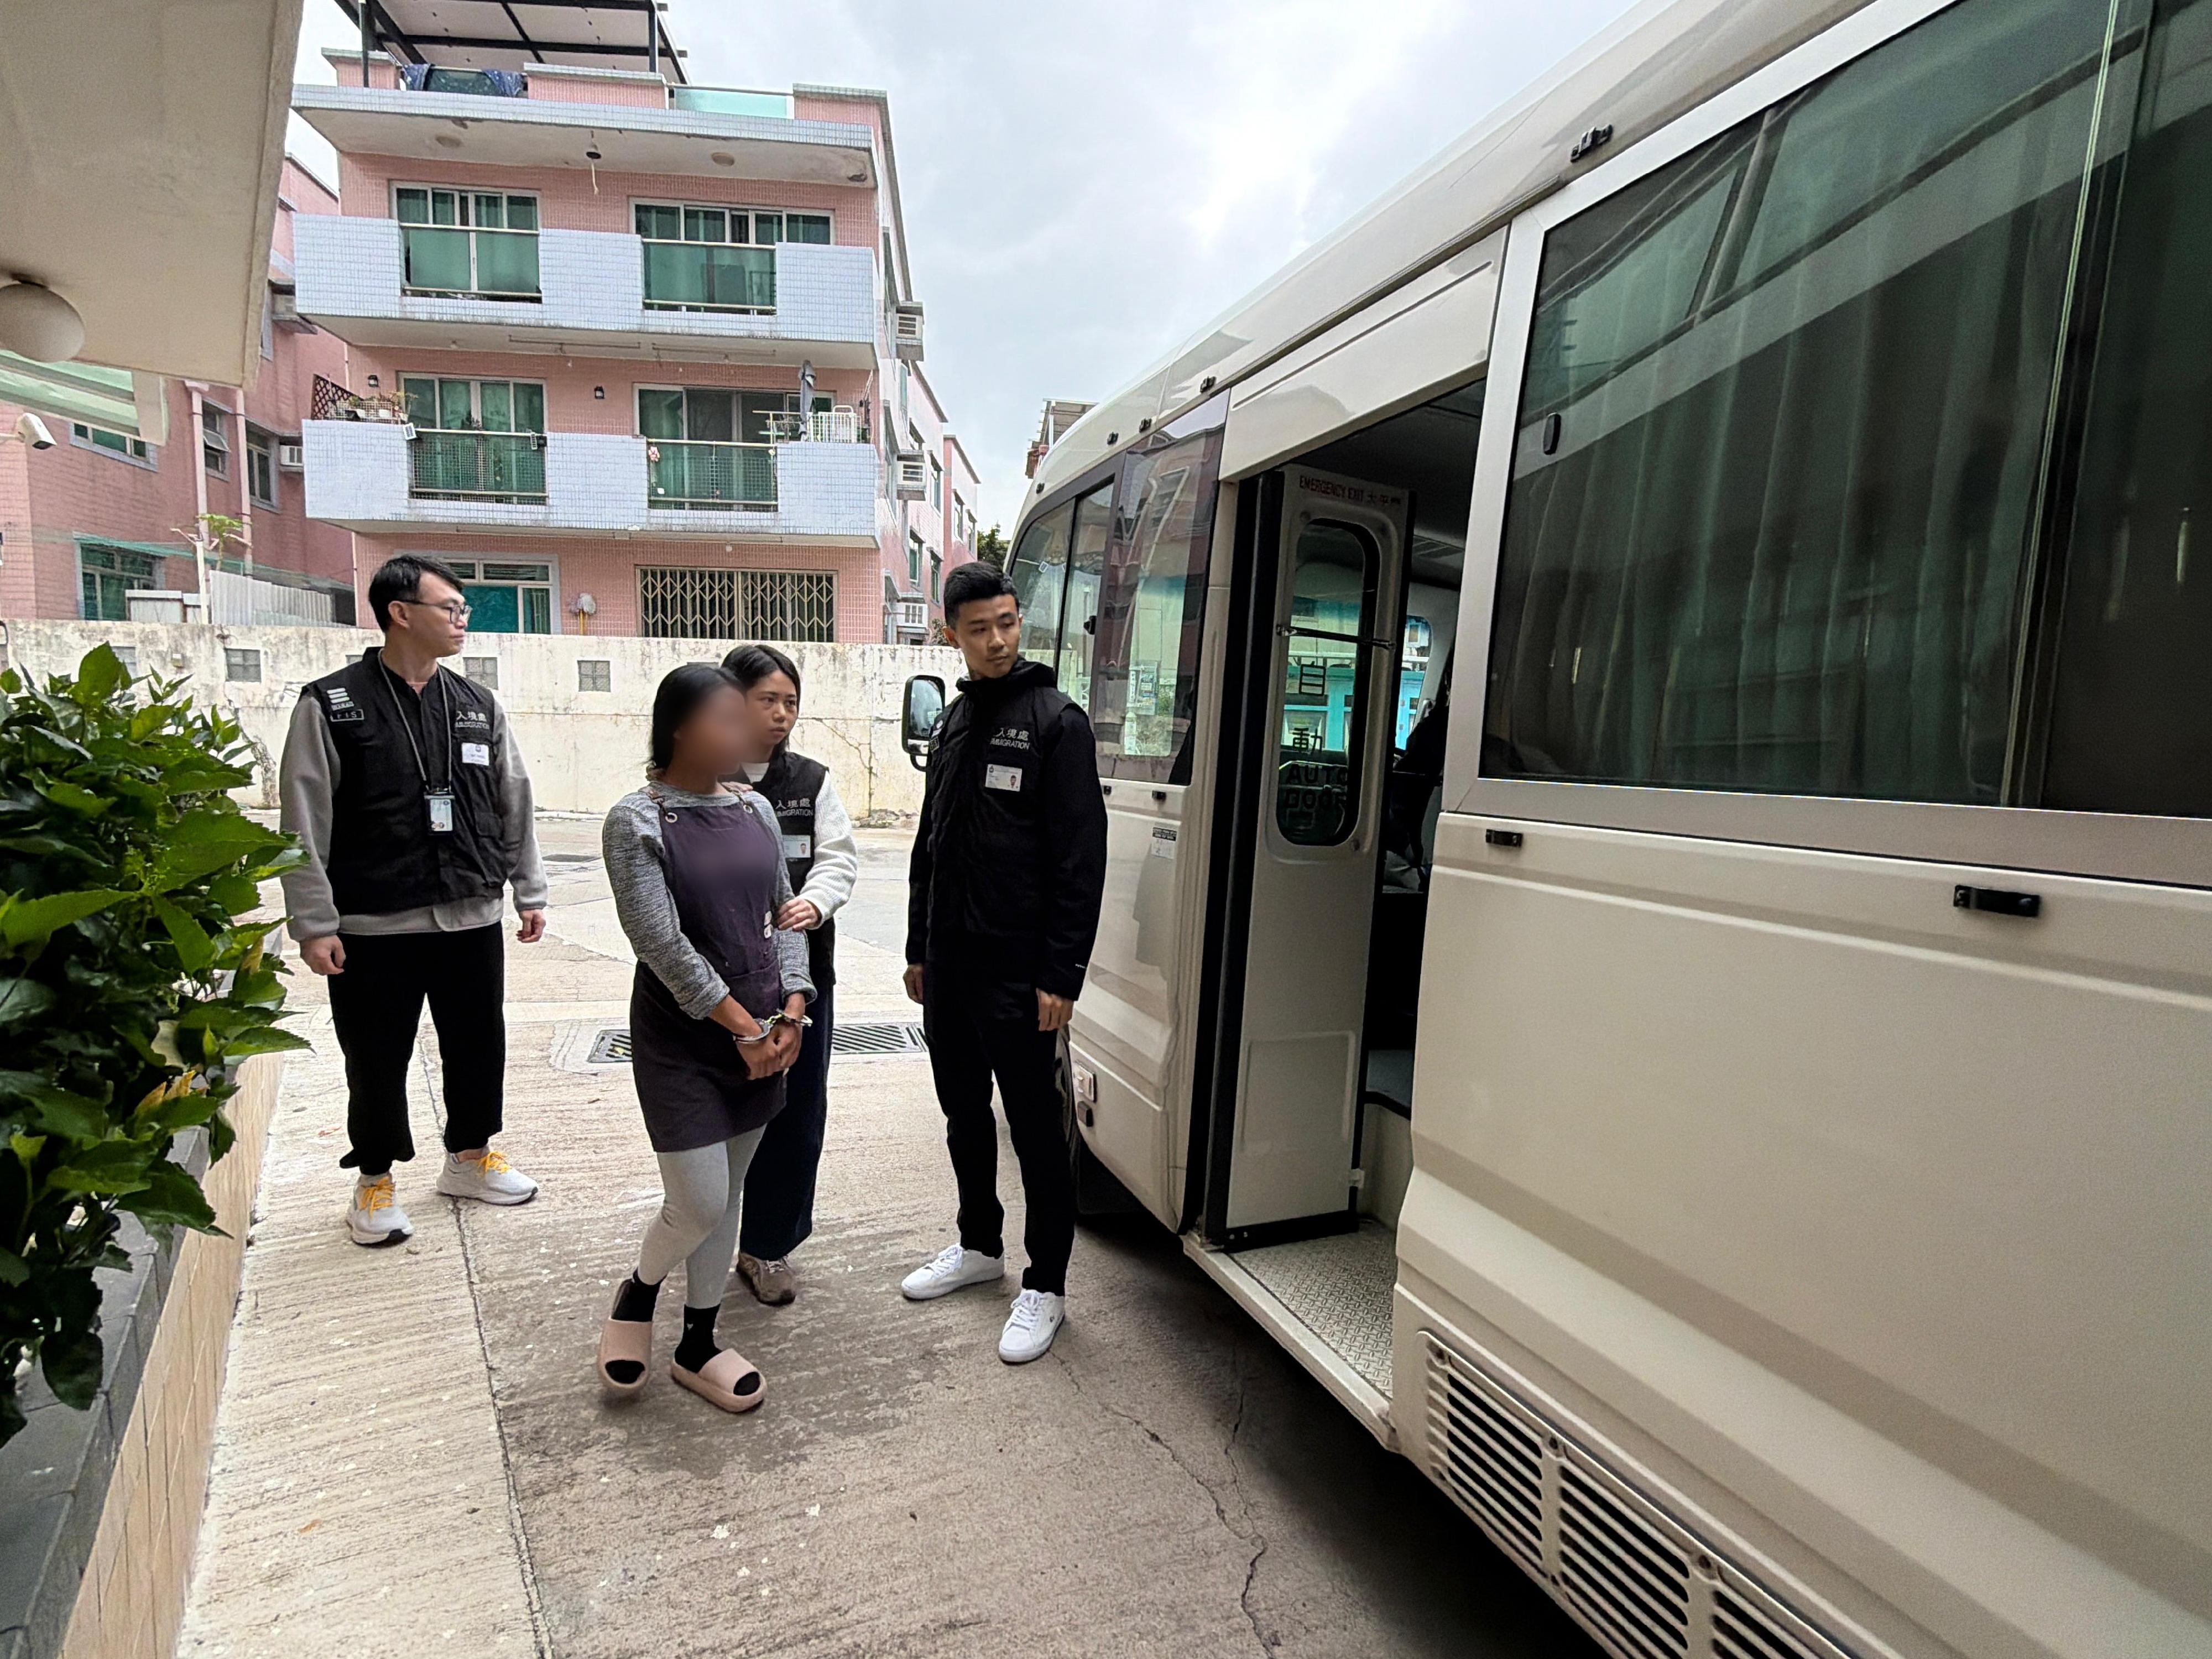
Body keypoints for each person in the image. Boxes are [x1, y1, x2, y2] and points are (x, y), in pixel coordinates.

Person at [280, 554, 547, 1248]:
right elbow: (303, 819)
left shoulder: (476, 703)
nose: (462, 621)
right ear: (400, 613)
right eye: (450, 608)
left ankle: (469, 1159)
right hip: (373, 922)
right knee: (376, 1058)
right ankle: (374, 1179)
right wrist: (313, 923)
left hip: (469, 912)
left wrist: (529, 888)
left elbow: (513, 799)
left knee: (478, 1045)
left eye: (463, 610)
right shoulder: (331, 704)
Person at [901, 562, 1108, 1364]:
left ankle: (1045, 1285)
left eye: (1007, 623)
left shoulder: (1057, 722)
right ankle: (978, 1246)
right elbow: (929, 845)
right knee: (963, 1113)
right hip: (950, 966)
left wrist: (1061, 974)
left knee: (1036, 1131)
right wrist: (918, 949)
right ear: (951, 633)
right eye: (979, 629)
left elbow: (1080, 861)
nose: (996, 641)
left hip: (1021, 975)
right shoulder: (955, 721)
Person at [595, 664, 814, 1413]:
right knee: (696, 1201)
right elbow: (661, 944)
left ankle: (697, 1344)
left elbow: (784, 913)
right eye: (730, 719)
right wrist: (745, 1029)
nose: (750, 731)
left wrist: (792, 1010)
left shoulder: (754, 808)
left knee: (729, 1199)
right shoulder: (636, 820)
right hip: (685, 1040)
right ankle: (639, 1291)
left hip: (766, 1031)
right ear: (682, 730)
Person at [719, 645, 859, 1307]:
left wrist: (817, 900)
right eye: (767, 700)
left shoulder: (811, 781)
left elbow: (838, 858)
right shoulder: (701, 774)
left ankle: (767, 1245)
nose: (781, 715)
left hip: (801, 983)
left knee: (795, 1113)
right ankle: (706, 1235)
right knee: (717, 1118)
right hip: (720, 986)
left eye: (791, 703)